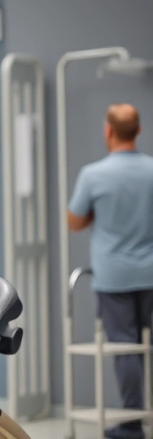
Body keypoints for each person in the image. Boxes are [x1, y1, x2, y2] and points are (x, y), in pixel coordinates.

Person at [67, 103, 153, 439]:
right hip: (151, 274)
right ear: (139, 130)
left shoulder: (94, 175)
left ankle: (132, 425)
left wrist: (97, 216)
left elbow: (74, 221)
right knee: (143, 347)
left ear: (108, 131)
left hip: (114, 277)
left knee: (124, 348)